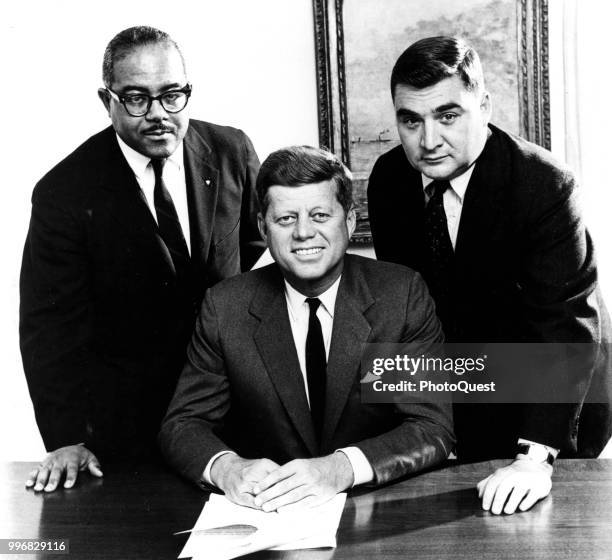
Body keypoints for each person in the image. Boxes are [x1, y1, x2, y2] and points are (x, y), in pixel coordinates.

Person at [367, 36, 612, 515]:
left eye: (448, 115)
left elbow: (565, 331)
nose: (428, 140)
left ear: (483, 105)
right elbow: (408, 308)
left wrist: (535, 457)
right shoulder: (389, 179)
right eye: (410, 120)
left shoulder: (544, 185)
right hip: (468, 379)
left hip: (561, 392)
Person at [20, 26, 262, 493]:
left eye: (172, 95)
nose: (157, 115)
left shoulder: (232, 151)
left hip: (238, 415)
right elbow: (49, 329)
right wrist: (68, 436)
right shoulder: (64, 193)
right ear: (105, 99)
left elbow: (250, 252)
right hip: (129, 432)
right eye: (136, 98)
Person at [159, 146, 454, 510]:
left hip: (378, 511)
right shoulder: (225, 306)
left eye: (319, 215)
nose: (303, 232)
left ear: (349, 221)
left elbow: (431, 425)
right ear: (262, 228)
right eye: (285, 219)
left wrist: (340, 468)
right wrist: (227, 468)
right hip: (269, 515)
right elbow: (183, 425)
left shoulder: (401, 294)